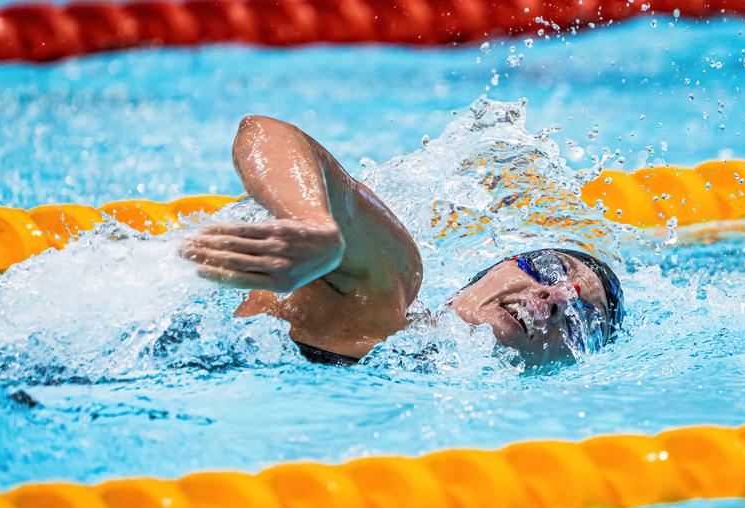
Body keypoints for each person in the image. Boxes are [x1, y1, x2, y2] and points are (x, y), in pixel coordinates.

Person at [180, 116, 624, 366]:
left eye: (581, 316)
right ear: (492, 271)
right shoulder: (385, 290)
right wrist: (311, 222)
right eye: (549, 268)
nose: (553, 295)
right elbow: (264, 132)